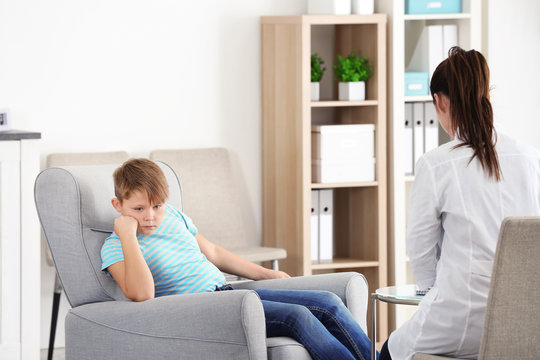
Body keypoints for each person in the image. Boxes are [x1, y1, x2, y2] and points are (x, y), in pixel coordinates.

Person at [101, 158, 374, 360]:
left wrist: (267, 274)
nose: (150, 216)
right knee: (297, 316)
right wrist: (128, 236)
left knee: (328, 301)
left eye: (157, 206)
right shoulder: (115, 247)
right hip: (198, 311)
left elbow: (214, 253)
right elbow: (143, 294)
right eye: (139, 209)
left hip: (226, 294)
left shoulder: (172, 217)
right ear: (118, 205)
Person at [379, 47, 540, 360]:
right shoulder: (531, 158)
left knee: (388, 350)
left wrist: (433, 291)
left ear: (439, 102)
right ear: (487, 96)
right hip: (525, 325)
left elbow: (422, 250)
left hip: (458, 327)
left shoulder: (437, 164)